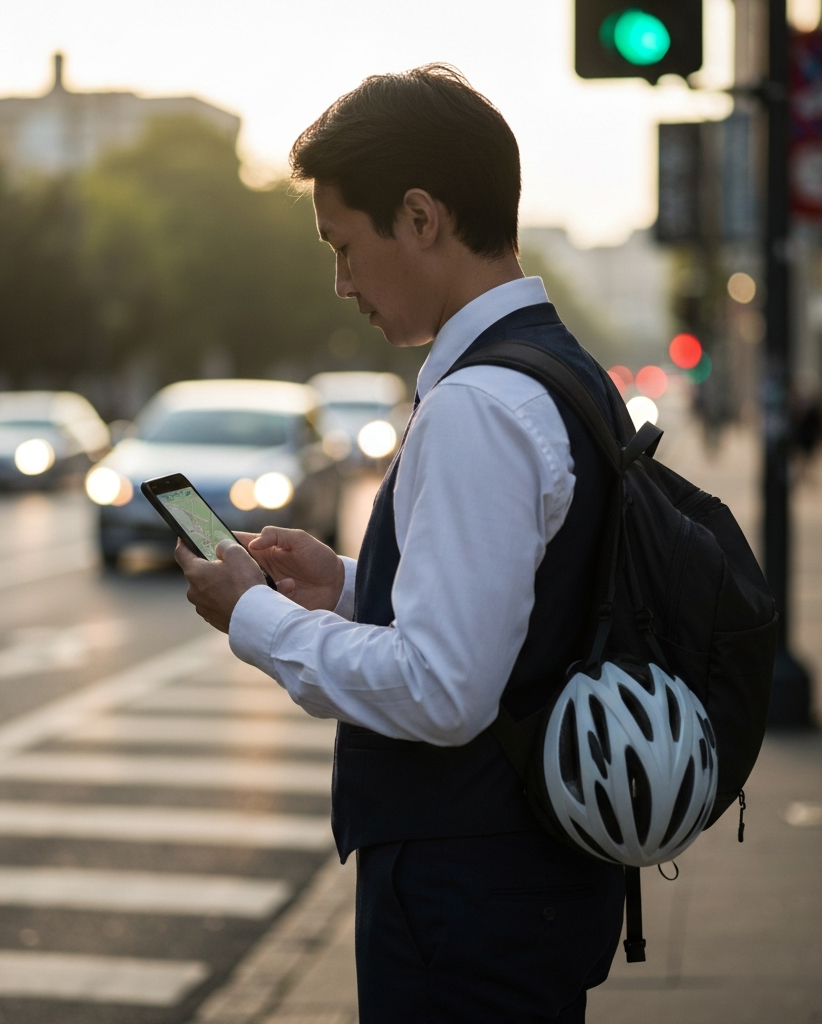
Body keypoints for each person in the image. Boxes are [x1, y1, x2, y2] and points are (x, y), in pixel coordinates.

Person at [176, 65, 625, 1023]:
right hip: (522, 880)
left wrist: (253, 616)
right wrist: (343, 583)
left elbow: (444, 686)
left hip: (466, 895)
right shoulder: (559, 369)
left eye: (344, 245)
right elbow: (518, 611)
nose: (340, 284)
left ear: (421, 217)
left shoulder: (480, 406)